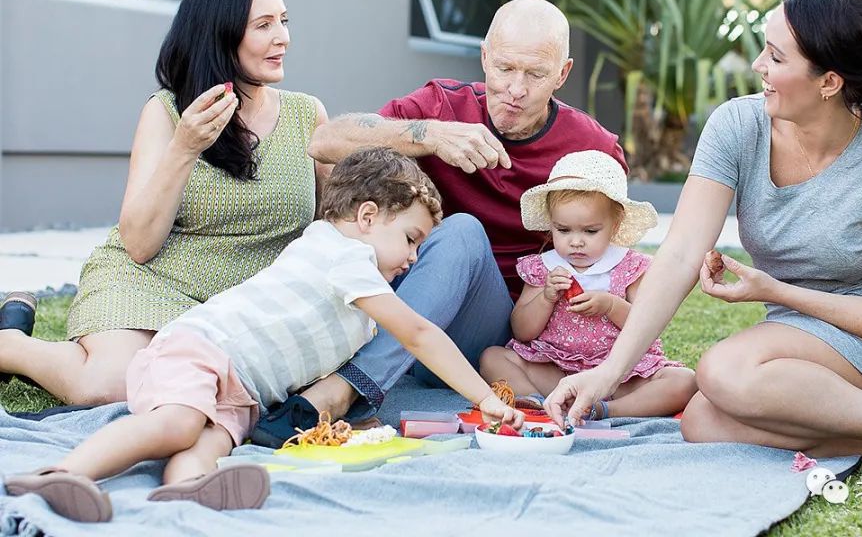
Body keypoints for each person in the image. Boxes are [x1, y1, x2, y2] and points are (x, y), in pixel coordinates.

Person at [544, 0, 862, 484]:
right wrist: (608, 372)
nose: (758, 67)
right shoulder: (737, 127)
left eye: (775, 57)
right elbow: (678, 257)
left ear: (828, 81)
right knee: (702, 422)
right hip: (790, 362)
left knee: (721, 370)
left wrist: (774, 291)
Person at [3, 148, 525, 523]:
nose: (413, 259)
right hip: (201, 351)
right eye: (410, 240)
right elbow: (416, 332)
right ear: (367, 217)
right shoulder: (344, 256)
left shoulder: (357, 282)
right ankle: (63, 473)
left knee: (212, 438)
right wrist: (482, 398)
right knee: (180, 422)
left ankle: (185, 492)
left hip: (242, 388)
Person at [254, 0, 626, 446]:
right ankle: (346, 377)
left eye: (535, 74)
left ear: (562, 74)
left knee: (465, 232)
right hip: (405, 306)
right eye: (505, 68)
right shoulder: (442, 107)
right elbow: (326, 141)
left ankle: (343, 390)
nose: (516, 89)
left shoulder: (594, 147)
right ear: (484, 56)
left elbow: (617, 263)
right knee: (457, 232)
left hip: (499, 338)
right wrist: (429, 136)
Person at [0, 0, 329, 404]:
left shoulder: (307, 115)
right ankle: (10, 345)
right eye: (263, 25)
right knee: (107, 385)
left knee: (202, 392)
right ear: (221, 33)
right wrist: (184, 147)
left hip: (244, 309)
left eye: (283, 21)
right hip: (151, 282)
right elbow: (138, 244)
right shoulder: (167, 112)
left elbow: (330, 229)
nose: (283, 37)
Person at [479, 150, 696, 419]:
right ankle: (535, 402)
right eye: (564, 230)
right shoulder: (544, 267)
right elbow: (522, 331)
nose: (576, 241)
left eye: (590, 231)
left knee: (684, 380)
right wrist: (546, 297)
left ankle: (603, 409)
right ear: (551, 225)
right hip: (555, 368)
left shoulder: (629, 267)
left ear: (615, 225)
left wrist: (611, 305)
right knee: (493, 358)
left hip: (619, 375)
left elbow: (647, 323)